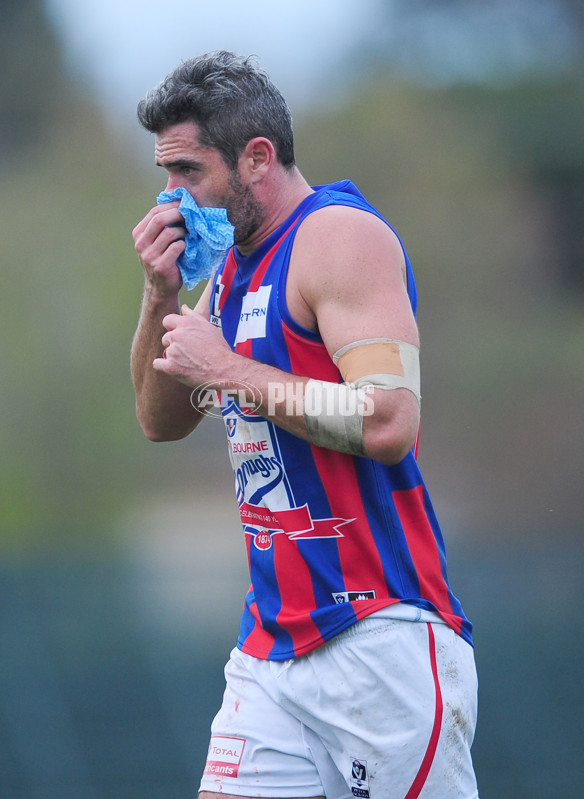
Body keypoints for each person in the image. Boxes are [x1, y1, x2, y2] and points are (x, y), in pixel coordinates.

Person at [131, 50, 479, 799]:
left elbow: (389, 419)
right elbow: (161, 421)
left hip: (378, 637)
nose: (170, 198)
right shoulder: (228, 272)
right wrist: (160, 296)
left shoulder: (340, 238)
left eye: (188, 172)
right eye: (165, 175)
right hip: (271, 647)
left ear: (257, 158)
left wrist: (228, 371)